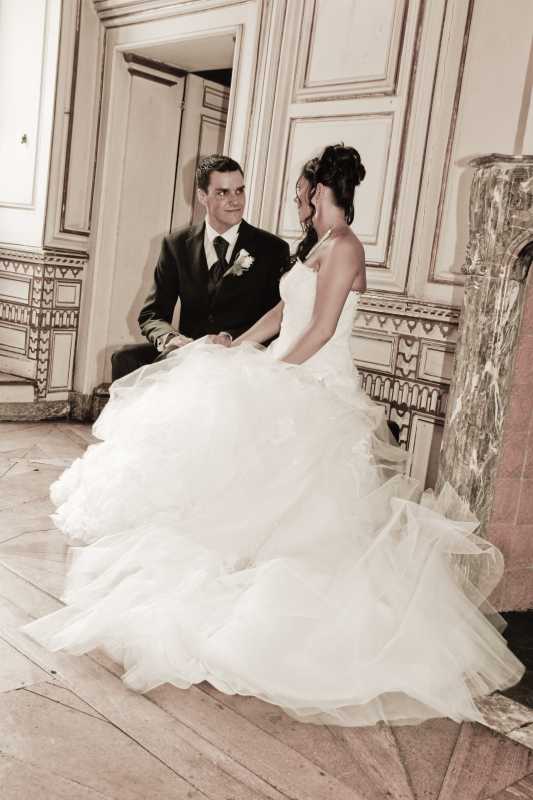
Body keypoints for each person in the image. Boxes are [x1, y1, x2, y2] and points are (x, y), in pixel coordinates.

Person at [23, 144, 524, 727]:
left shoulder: (346, 247)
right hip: (286, 368)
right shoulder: (316, 247)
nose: (295, 200)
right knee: (246, 485)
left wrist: (273, 373)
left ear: (318, 190)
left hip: (317, 382)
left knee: (306, 504)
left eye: (300, 191)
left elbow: (323, 329)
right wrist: (240, 349)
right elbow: (284, 315)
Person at [110, 154, 290, 381]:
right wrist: (171, 339)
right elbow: (152, 314)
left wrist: (228, 339)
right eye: (223, 193)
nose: (235, 201)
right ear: (202, 196)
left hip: (240, 358)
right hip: (189, 354)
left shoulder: (272, 248)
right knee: (124, 359)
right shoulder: (175, 245)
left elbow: (279, 319)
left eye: (239, 191)